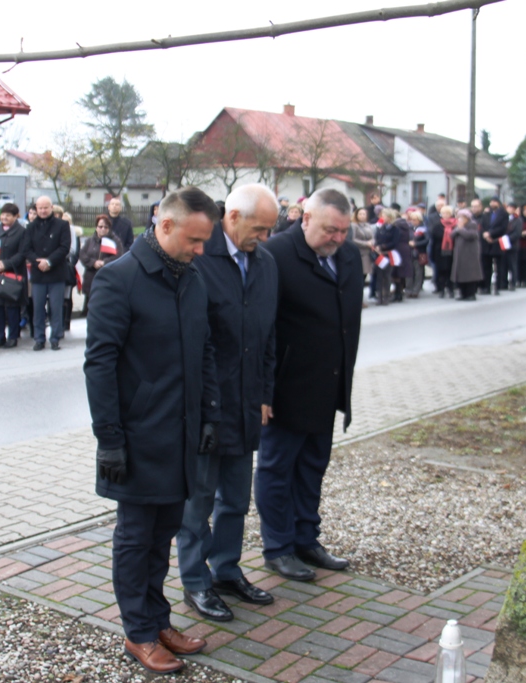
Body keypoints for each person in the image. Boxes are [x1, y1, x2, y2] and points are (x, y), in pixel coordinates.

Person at [84, 187, 221, 674]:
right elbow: (98, 366)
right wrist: (111, 440)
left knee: (165, 531)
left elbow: (204, 349)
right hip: (138, 435)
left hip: (181, 430)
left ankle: (158, 620)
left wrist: (209, 413)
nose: (201, 249)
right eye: (195, 239)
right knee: (137, 536)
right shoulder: (119, 280)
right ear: (165, 226)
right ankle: (137, 633)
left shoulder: (190, 276)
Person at [177, 185, 280, 623]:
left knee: (236, 498)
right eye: (259, 228)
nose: (266, 237)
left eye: (271, 229)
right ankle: (195, 582)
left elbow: (268, 335)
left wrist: (264, 394)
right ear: (232, 217)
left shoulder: (266, 264)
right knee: (198, 501)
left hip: (245, 403)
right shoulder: (199, 259)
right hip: (206, 404)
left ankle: (226, 570)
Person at [256, 188, 363, 582]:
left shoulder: (348, 256)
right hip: (286, 388)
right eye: (330, 230)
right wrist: (263, 391)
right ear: (305, 219)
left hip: (328, 385)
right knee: (277, 469)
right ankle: (278, 548)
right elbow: (262, 328)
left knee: (313, 466)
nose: (337, 238)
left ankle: (306, 539)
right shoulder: (277, 255)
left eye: (343, 231)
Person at [26, 196, 71, 351]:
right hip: (38, 274)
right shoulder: (30, 227)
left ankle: (55, 338)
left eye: (46, 207)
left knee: (56, 307)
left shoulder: (62, 225)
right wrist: (38, 262)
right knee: (38, 308)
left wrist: (49, 262)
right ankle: (39, 338)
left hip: (56, 272)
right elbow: (26, 249)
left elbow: (64, 247)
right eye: (40, 208)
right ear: (36, 209)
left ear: (51, 207)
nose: (43, 211)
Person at [0, 203, 29, 349]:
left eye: (8, 215)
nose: (4, 217)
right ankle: (0, 336)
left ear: (16, 216)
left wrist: (5, 264)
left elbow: (22, 253)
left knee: (12, 307)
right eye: (2, 214)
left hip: (12, 273)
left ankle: (13, 337)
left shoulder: (22, 232)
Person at [80, 214, 124, 316]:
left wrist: (104, 263)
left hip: (107, 279)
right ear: (96, 227)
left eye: (105, 227)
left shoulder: (115, 241)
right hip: (90, 279)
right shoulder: (89, 241)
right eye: (100, 227)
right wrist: (93, 262)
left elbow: (118, 256)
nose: (103, 229)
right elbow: (83, 255)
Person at [451, 209, 482, 301]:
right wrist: (457, 229)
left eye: (462, 217)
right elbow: (452, 235)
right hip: (460, 254)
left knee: (470, 274)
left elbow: (470, 235)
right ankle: (463, 293)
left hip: (470, 253)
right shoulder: (459, 226)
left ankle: (471, 294)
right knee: (461, 274)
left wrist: (460, 229)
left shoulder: (472, 224)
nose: (460, 219)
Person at [480, 198, 507, 295]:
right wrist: (485, 234)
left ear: (498, 203)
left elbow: (503, 228)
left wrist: (491, 233)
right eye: (491, 202)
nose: (492, 203)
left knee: (499, 266)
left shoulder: (503, 214)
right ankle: (486, 287)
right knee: (486, 266)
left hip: (496, 242)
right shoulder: (486, 214)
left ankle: (497, 287)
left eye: (494, 202)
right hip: (486, 243)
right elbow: (482, 226)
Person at [60, 210, 82, 332]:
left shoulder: (73, 233)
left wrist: (71, 264)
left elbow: (76, 252)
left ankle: (66, 321)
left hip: (69, 267)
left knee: (67, 297)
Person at [348, 207, 375, 306]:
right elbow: (353, 239)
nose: (363, 216)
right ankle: (357, 300)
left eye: (364, 214)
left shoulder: (368, 225)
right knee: (358, 279)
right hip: (359, 253)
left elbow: (373, 237)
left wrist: (372, 242)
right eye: (360, 214)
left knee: (363, 278)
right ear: (356, 215)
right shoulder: (354, 226)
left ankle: (360, 299)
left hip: (368, 254)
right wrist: (365, 243)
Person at [373, 208, 398, 306]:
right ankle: (380, 297)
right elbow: (377, 238)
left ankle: (386, 297)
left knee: (387, 276)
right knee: (379, 276)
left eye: (384, 215)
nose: (382, 217)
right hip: (379, 254)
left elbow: (394, 242)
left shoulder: (395, 228)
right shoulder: (381, 227)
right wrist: (376, 246)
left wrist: (383, 246)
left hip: (388, 254)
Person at [433, 205, 457, 298]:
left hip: (452, 251)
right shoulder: (438, 225)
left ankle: (451, 289)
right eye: (443, 213)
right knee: (441, 272)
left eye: (447, 213)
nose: (445, 215)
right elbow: (435, 238)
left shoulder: (455, 224)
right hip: (440, 252)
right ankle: (441, 289)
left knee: (450, 271)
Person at [406, 209, 429, 298]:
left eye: (415, 220)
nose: (413, 221)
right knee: (409, 272)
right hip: (410, 252)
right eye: (411, 219)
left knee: (418, 272)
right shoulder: (409, 228)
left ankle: (416, 290)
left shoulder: (424, 228)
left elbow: (427, 240)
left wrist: (416, 244)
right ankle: (408, 290)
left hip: (419, 252)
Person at [503, 203, 522, 291]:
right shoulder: (504, 218)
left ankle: (513, 282)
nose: (510, 209)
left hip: (512, 245)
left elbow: (517, 233)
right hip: (503, 245)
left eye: (512, 208)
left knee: (512, 265)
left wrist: (507, 238)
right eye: (509, 207)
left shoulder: (518, 220)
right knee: (504, 264)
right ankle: (504, 282)